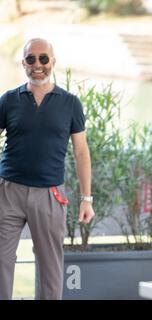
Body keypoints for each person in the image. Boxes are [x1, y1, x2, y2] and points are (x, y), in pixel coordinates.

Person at [0, 38, 95, 300]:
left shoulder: (70, 103)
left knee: (51, 269)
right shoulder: (8, 100)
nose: (37, 64)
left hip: (50, 195)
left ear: (53, 61)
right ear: (24, 63)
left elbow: (81, 151)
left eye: (43, 58)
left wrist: (87, 199)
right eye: (31, 59)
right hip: (8, 192)